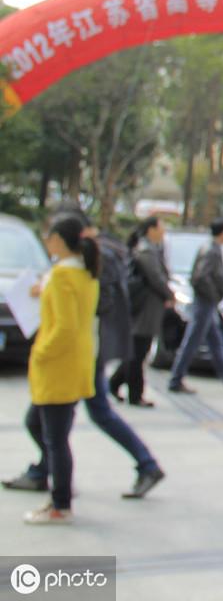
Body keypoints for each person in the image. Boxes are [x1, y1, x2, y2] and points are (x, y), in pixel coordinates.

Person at [4, 210, 166, 501]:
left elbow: (93, 305)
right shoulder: (83, 261)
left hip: (83, 352)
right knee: (48, 420)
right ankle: (48, 472)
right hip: (84, 350)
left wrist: (55, 294)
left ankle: (142, 465)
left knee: (75, 417)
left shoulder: (93, 259)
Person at [11, 214, 99, 524]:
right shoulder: (82, 273)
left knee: (55, 437)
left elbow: (63, 327)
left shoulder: (63, 276)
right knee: (40, 426)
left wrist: (41, 353)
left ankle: (60, 503)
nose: (47, 242)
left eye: (49, 237)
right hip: (74, 362)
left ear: (60, 240)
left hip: (58, 365)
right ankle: (60, 485)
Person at [168, 219, 223, 393]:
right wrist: (214, 295)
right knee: (192, 342)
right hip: (204, 303)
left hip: (208, 303)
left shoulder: (211, 248)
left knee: (215, 340)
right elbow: (200, 277)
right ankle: (176, 379)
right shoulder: (211, 251)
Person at [110, 216, 175, 408]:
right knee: (138, 351)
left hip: (147, 307)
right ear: (151, 229)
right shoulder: (146, 250)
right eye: (161, 226)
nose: (163, 230)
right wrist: (169, 295)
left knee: (137, 351)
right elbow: (156, 277)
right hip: (144, 308)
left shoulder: (152, 248)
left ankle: (115, 383)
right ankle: (134, 394)